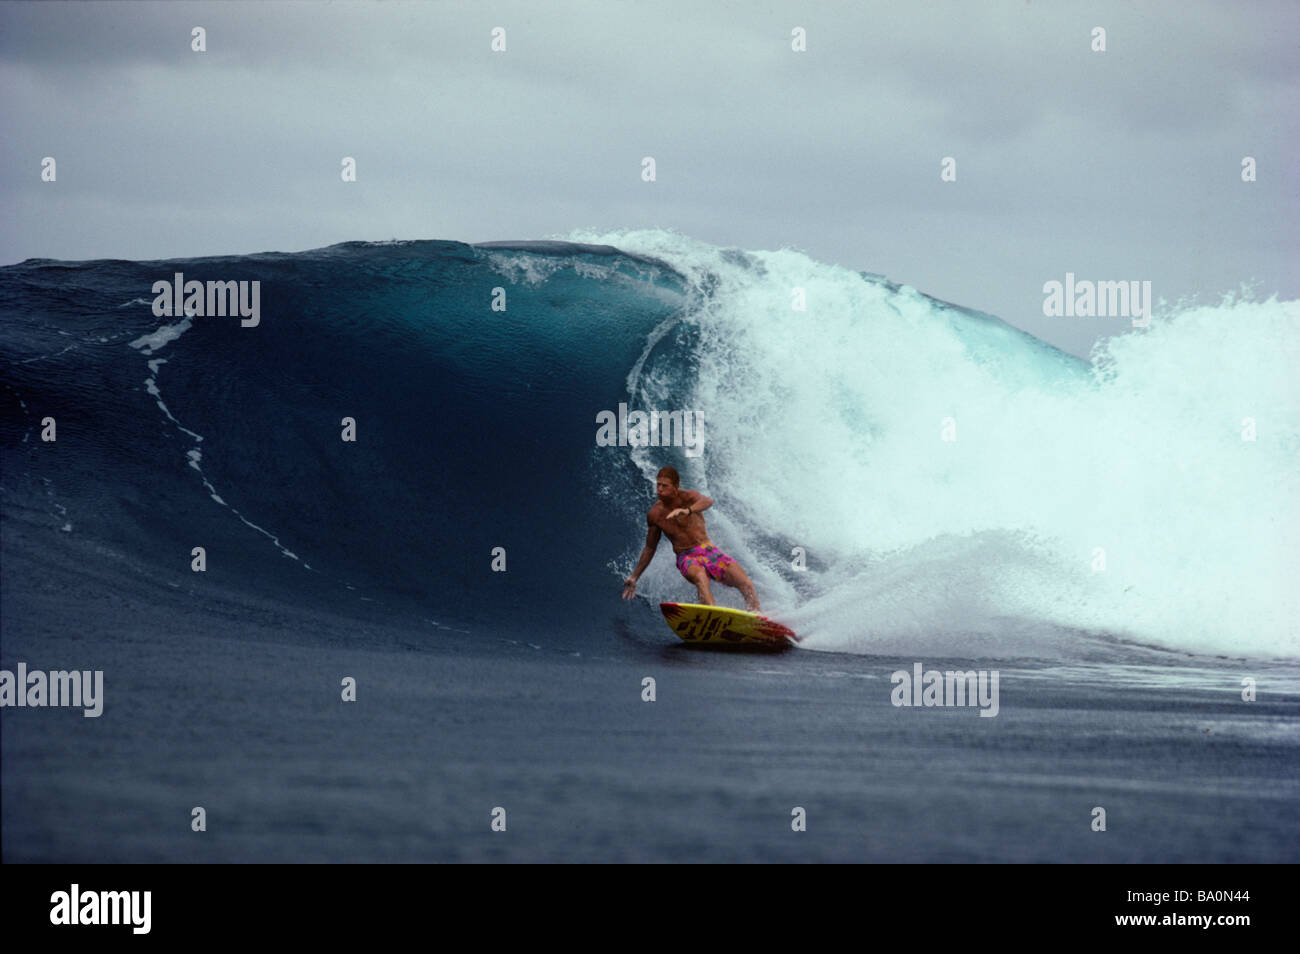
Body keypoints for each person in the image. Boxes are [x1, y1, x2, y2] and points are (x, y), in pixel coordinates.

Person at [621, 466, 761, 611]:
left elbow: (708, 501)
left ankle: (757, 618)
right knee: (701, 578)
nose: (659, 490)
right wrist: (634, 577)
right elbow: (650, 548)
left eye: (665, 486)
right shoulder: (655, 515)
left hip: (709, 551)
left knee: (745, 583)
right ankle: (712, 615)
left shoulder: (689, 498)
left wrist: (687, 511)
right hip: (686, 557)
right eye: (658, 485)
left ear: (675, 487)